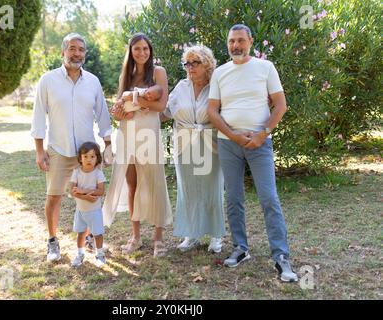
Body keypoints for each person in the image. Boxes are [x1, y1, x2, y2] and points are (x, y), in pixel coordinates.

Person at [207, 24, 298, 282]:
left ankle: (281, 256)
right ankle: (240, 248)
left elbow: (280, 105)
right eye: (231, 42)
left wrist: (262, 134)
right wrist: (234, 135)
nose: (235, 46)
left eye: (240, 41)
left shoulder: (265, 68)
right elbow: (213, 111)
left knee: (269, 198)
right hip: (228, 143)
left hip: (260, 144)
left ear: (250, 41)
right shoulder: (220, 73)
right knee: (233, 198)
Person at [31, 33, 112, 262]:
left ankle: (88, 238)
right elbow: (38, 117)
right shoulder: (47, 80)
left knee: (89, 198)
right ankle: (52, 241)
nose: (77, 54)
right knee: (53, 197)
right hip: (58, 149)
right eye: (72, 49)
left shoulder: (93, 81)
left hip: (87, 154)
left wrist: (107, 146)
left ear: (85, 54)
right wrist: (39, 150)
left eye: (81, 50)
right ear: (63, 52)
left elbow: (103, 116)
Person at [103, 33, 172, 258]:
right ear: (131, 52)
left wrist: (132, 99)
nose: (141, 53)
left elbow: (161, 105)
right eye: (136, 49)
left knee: (155, 184)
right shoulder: (127, 75)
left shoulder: (158, 72)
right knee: (132, 185)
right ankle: (136, 236)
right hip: (126, 133)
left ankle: (159, 238)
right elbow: (118, 110)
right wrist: (119, 110)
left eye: (145, 48)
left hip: (149, 134)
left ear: (150, 50)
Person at [162, 45, 225, 253]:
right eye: (187, 63)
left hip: (211, 143)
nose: (190, 67)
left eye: (194, 62)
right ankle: (192, 234)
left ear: (206, 64)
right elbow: (166, 112)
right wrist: (140, 110)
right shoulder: (181, 86)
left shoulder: (216, 86)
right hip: (184, 143)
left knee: (212, 188)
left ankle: (216, 234)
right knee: (188, 190)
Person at [69, 142, 107, 267]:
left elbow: (101, 191)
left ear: (97, 158)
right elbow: (72, 191)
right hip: (80, 210)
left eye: (92, 156)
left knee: (97, 233)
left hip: (94, 210)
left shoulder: (98, 173)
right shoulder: (76, 172)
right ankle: (80, 254)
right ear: (80, 158)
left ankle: (100, 254)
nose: (89, 159)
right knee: (80, 233)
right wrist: (85, 197)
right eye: (85, 156)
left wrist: (83, 190)